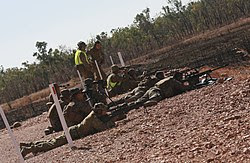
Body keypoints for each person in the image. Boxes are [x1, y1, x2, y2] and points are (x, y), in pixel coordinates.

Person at [20, 103, 120, 158]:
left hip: (73, 132)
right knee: (52, 144)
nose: (105, 112)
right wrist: (113, 121)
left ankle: (29, 145)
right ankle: (28, 150)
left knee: (52, 141)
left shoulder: (95, 115)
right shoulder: (93, 118)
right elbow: (102, 128)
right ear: (99, 111)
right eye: (103, 111)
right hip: (72, 133)